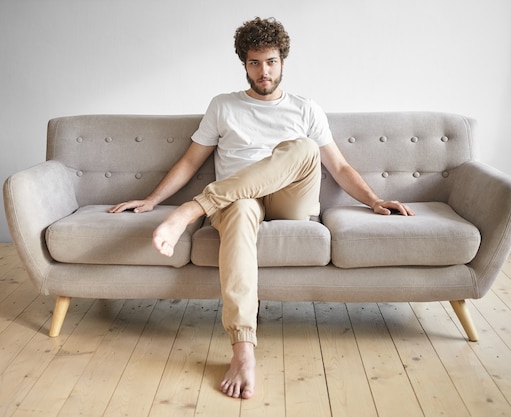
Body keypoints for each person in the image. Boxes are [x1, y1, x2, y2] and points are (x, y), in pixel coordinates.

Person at [109, 17, 414, 399]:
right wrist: (153, 200)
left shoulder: (305, 108)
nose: (263, 71)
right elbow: (189, 162)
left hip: (290, 198)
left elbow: (338, 166)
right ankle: (243, 351)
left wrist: (373, 200)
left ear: (282, 61)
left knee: (302, 148)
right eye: (254, 62)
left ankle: (191, 210)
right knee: (238, 208)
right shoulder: (223, 106)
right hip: (238, 201)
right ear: (244, 65)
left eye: (270, 61)